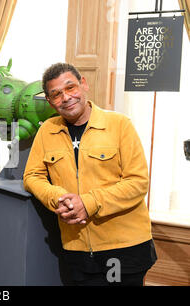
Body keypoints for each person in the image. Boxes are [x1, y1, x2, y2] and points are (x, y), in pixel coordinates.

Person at [23, 63, 157, 286]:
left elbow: (138, 182)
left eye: (70, 88)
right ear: (49, 101)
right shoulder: (47, 130)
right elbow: (32, 176)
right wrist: (57, 197)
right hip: (77, 249)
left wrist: (88, 202)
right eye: (56, 94)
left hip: (124, 248)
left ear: (83, 84)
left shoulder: (119, 125)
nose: (66, 98)